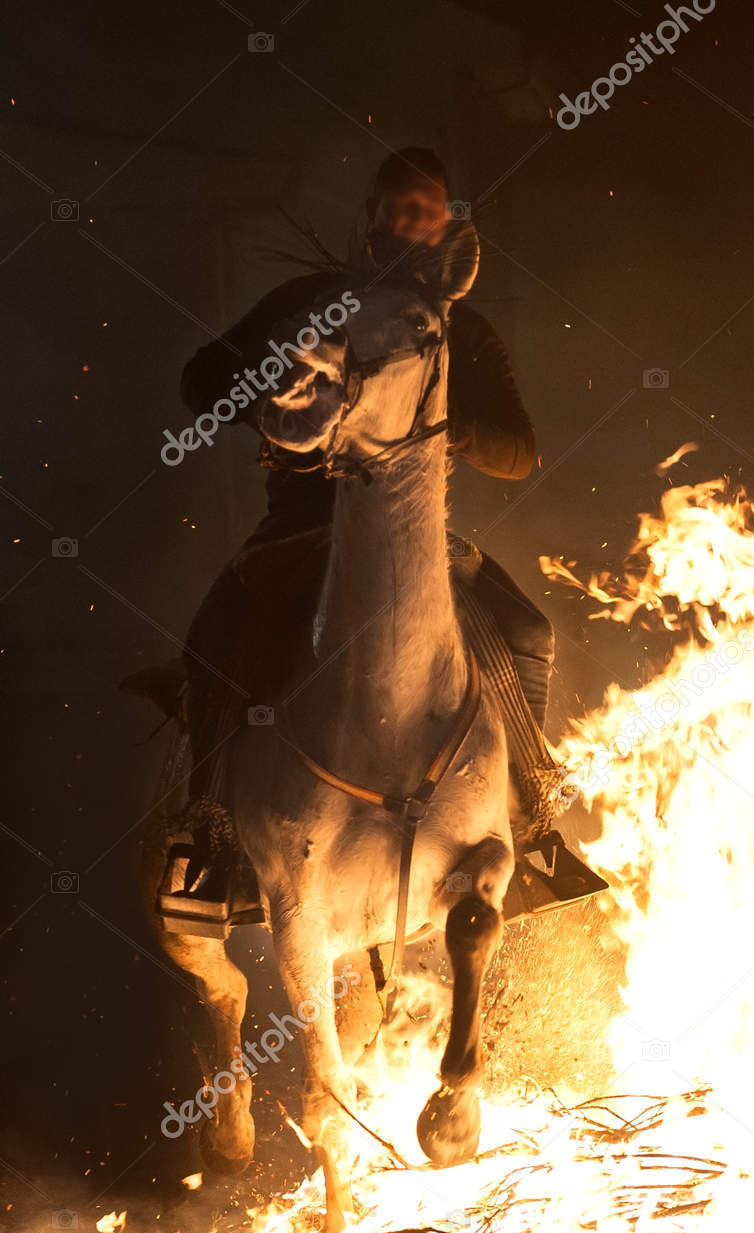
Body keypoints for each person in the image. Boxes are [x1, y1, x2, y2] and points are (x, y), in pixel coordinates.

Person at [162, 148, 601, 933]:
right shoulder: (308, 304)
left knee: (528, 630)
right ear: (373, 214)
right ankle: (213, 837)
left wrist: (438, 419)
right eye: (399, 207)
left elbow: (519, 450)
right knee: (211, 640)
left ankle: (531, 820)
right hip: (301, 527)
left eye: (427, 210)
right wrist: (269, 398)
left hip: (414, 532)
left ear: (447, 223)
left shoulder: (461, 332)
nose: (412, 222)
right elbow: (202, 376)